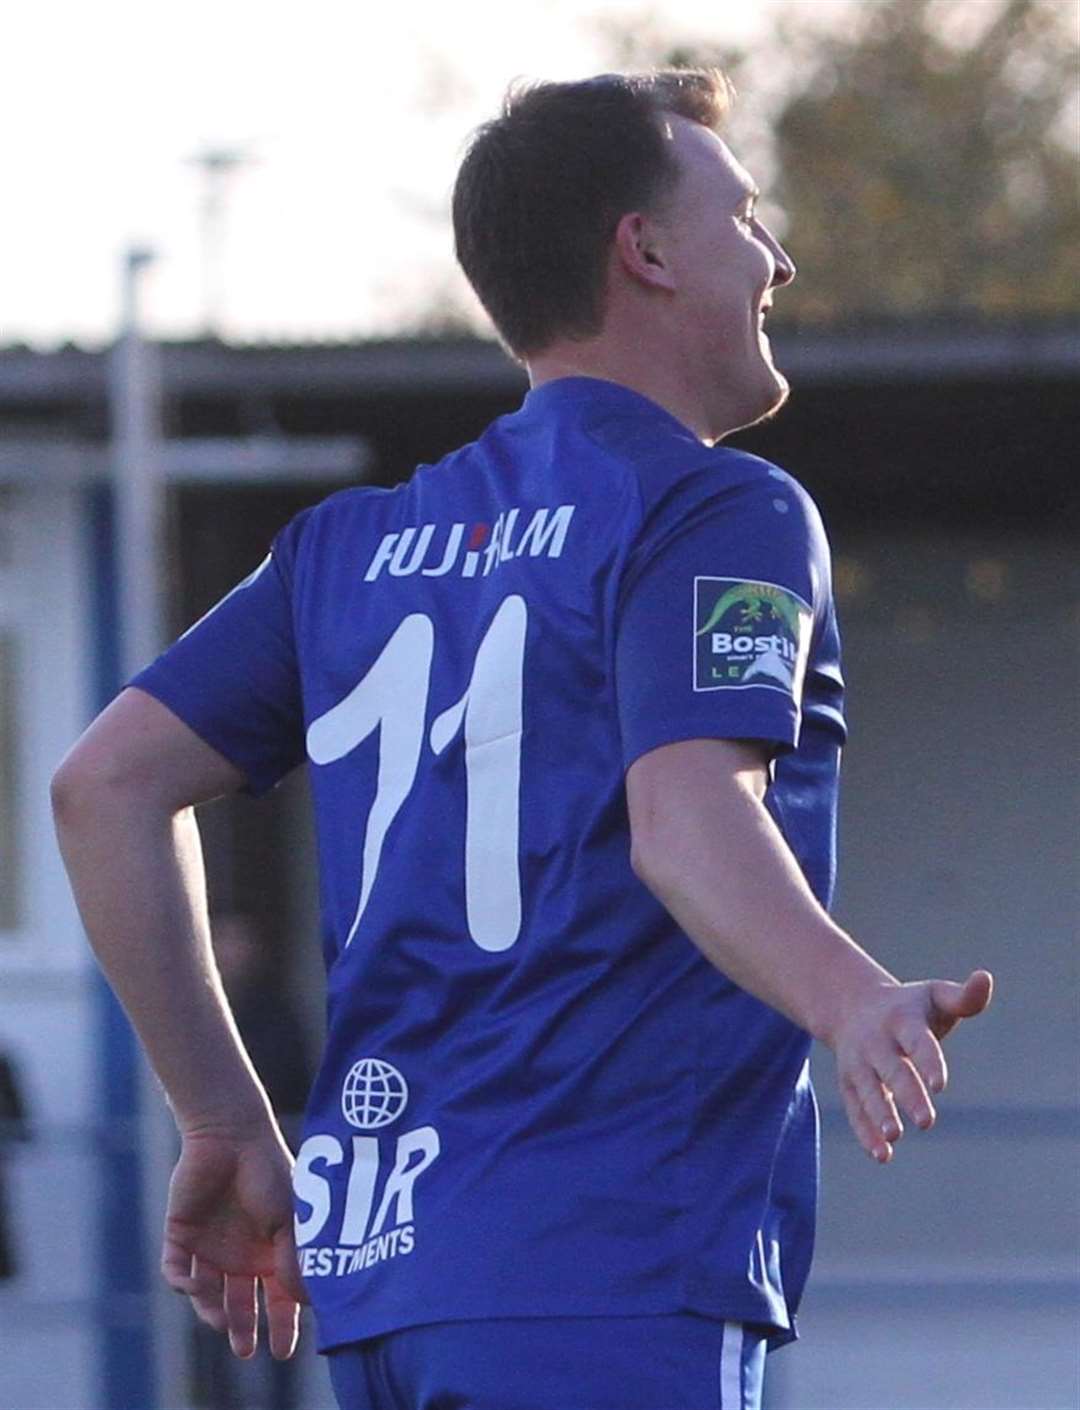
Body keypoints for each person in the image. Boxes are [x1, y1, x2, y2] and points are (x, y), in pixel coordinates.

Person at [51, 68, 993, 1410]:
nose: (778, 257)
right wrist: (852, 997)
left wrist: (223, 1118)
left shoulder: (347, 548)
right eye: (745, 216)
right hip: (609, 1268)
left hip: (387, 1282)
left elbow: (101, 789)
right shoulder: (718, 509)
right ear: (646, 250)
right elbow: (685, 818)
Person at [189, 913, 312, 1410]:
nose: (231, 952)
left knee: (278, 1296)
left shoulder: (274, 1015)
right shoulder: (197, 1018)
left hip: (274, 1167)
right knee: (215, 1305)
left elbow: (300, 1077)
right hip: (215, 1175)